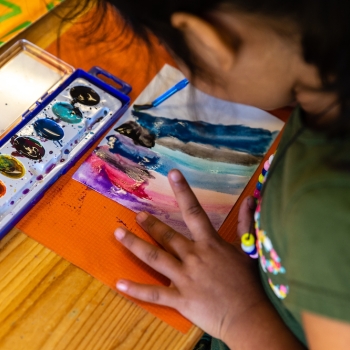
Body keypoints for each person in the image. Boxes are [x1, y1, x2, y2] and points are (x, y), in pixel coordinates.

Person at [79, 1, 350, 348]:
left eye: (177, 54)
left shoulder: (328, 216)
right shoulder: (325, 95)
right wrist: (276, 240)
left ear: (208, 41)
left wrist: (240, 314)